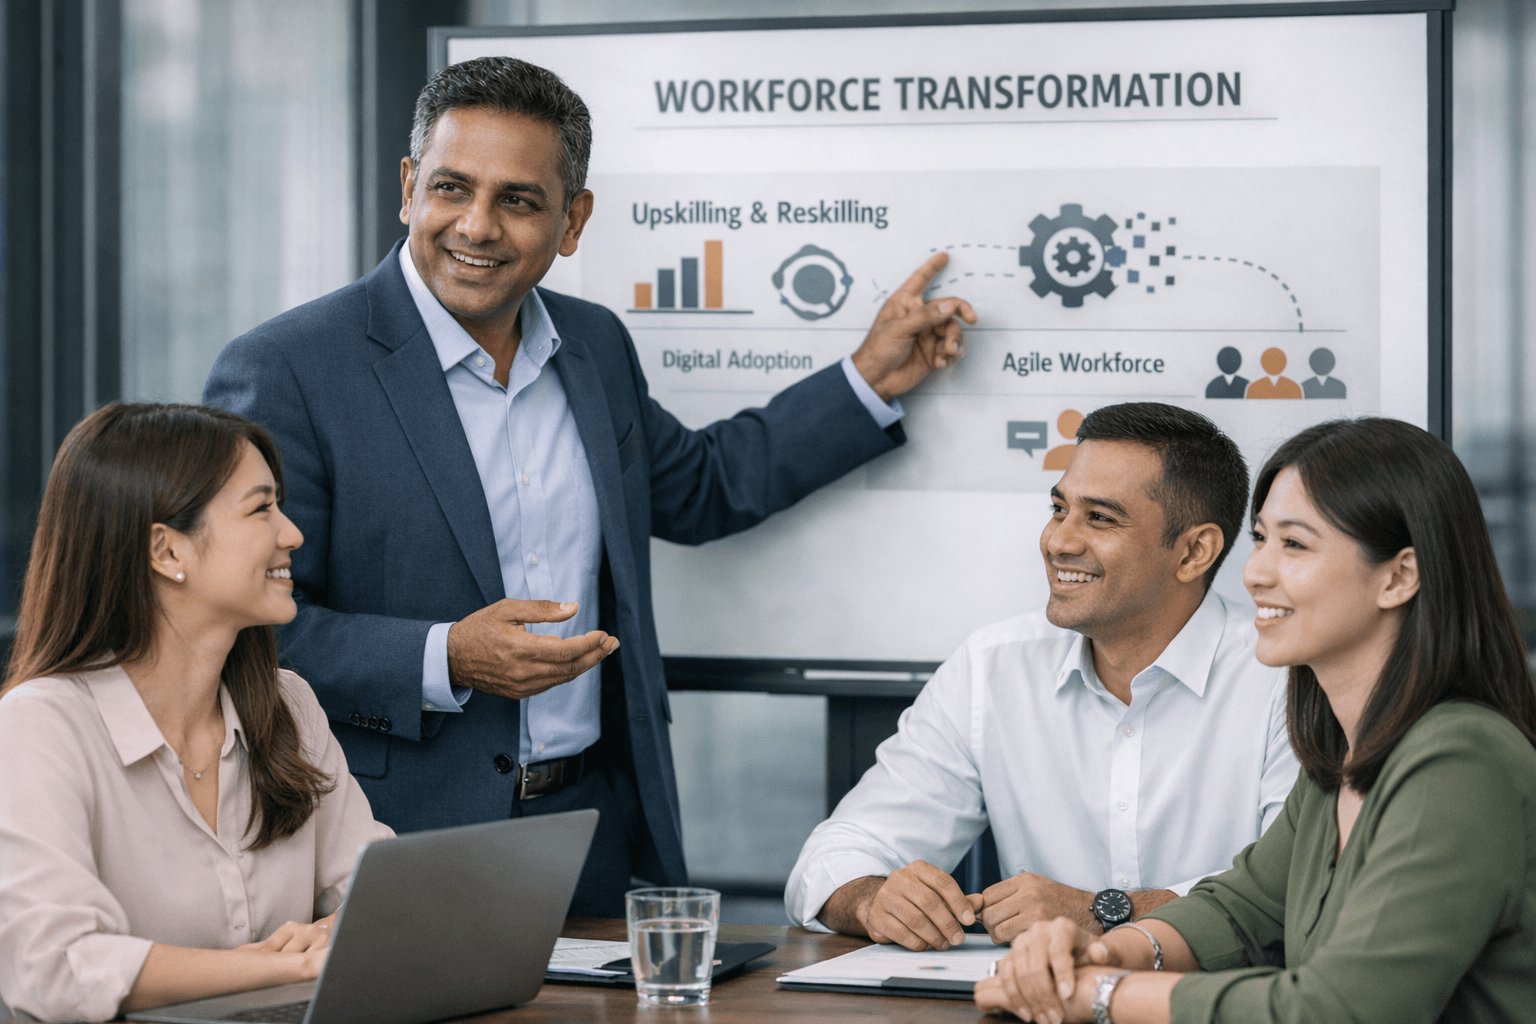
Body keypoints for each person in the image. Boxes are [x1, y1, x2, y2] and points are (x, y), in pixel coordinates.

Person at [202, 56, 975, 916]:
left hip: (588, 834)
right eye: (453, 188)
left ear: (573, 220)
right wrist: (444, 656)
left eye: (519, 200)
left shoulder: (594, 347)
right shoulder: (291, 367)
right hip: (389, 836)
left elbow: (704, 487)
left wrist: (866, 377)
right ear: (410, 186)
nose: (478, 225)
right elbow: (236, 621)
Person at [979, 417, 1536, 1024]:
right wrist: (1103, 949)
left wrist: (1100, 993)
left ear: (1399, 576)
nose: (1256, 572)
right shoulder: (1341, 756)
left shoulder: (1461, 761)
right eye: (1261, 539)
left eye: (1294, 545)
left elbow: (1341, 1010)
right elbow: (1239, 909)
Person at [785, 403, 1299, 950]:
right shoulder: (993, 666)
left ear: (1195, 551)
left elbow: (1293, 892)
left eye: (1100, 518)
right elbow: (833, 857)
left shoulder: (1288, 679)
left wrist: (1105, 913)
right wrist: (873, 898)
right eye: (1059, 509)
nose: (1059, 541)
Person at [0, 404, 394, 1023]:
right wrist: (284, 966)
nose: (290, 534)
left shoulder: (288, 703)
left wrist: (344, 929)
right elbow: (55, 966)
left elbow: (384, 893)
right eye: (261, 508)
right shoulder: (39, 726)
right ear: (166, 549)